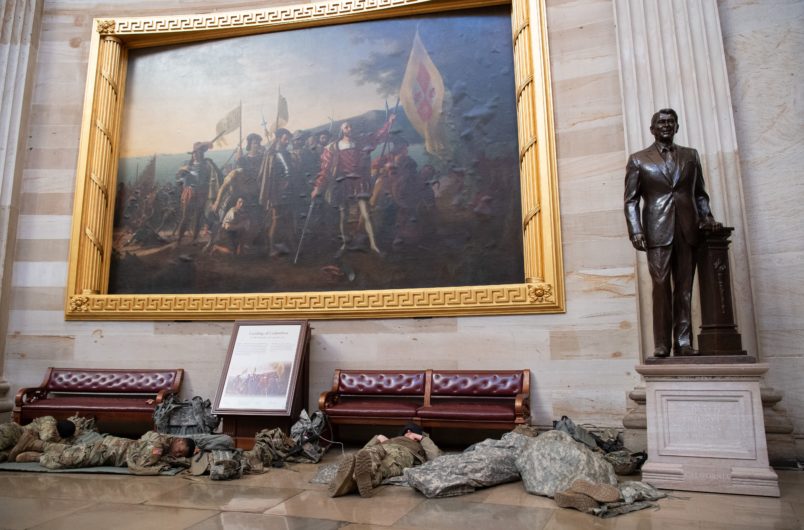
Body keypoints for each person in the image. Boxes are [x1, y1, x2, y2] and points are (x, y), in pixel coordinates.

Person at [624, 108, 720, 357]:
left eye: (670, 122)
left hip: (688, 229)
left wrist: (707, 216)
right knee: (660, 286)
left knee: (685, 288)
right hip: (657, 230)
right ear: (652, 129)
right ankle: (662, 343)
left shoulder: (691, 155)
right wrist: (635, 229)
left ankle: (683, 341)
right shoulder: (638, 159)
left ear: (677, 127)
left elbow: (699, 193)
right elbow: (631, 200)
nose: (666, 125)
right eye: (661, 122)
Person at [312, 116, 395, 256]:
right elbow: (325, 170)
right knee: (343, 214)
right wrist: (317, 187)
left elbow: (376, 137)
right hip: (343, 182)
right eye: (346, 127)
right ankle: (345, 244)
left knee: (366, 213)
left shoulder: (361, 142)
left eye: (351, 126)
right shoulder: (332, 147)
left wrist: (389, 123)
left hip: (359, 181)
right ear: (342, 130)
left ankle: (374, 245)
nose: (349, 129)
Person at [328, 422, 441, 498]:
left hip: (403, 453)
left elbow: (435, 456)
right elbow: (363, 451)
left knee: (383, 469)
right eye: (406, 431)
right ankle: (361, 479)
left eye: (412, 432)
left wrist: (422, 438)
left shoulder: (420, 444)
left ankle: (349, 483)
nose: (408, 433)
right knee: (370, 453)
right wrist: (377, 438)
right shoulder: (392, 439)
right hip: (383, 447)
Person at [19, 430, 197, 475]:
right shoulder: (158, 446)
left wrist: (180, 459)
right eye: (180, 451)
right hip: (106, 451)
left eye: (181, 455)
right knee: (64, 461)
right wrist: (159, 468)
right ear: (179, 441)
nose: (178, 455)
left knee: (71, 451)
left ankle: (35, 444)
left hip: (109, 447)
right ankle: (37, 455)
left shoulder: (162, 441)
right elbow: (139, 467)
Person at [175, 141, 222, 245]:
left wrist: (213, 164)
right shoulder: (186, 164)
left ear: (202, 154)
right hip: (189, 193)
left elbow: (216, 175)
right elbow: (179, 179)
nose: (196, 155)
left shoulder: (207, 165)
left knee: (198, 216)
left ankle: (194, 239)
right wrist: (182, 173)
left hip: (202, 193)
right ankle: (179, 239)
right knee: (186, 216)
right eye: (194, 153)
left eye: (198, 152)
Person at [260, 128, 298, 256]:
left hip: (289, 192)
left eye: (288, 139)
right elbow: (269, 177)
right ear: (279, 138)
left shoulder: (287, 154)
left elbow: (290, 173)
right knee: (276, 220)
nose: (287, 141)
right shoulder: (271, 155)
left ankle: (292, 247)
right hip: (276, 193)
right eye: (285, 138)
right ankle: (271, 249)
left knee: (288, 220)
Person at [0, 417, 77, 462]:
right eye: (55, 433)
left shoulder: (60, 439)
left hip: (15, 446)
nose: (54, 435)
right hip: (14, 432)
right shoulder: (50, 421)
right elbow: (46, 437)